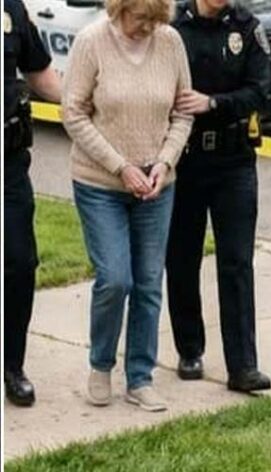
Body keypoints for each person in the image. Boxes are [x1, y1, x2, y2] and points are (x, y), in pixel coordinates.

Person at [62, 0, 193, 411]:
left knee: (149, 282)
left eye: (156, 19)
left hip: (156, 186)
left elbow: (183, 113)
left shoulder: (170, 42)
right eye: (140, 18)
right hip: (100, 183)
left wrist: (165, 162)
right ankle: (100, 365)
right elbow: (73, 113)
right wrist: (121, 167)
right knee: (116, 279)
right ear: (120, 8)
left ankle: (140, 376)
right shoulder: (91, 42)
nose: (148, 27)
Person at [165, 0, 271, 392]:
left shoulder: (246, 27)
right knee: (182, 258)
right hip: (186, 160)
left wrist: (213, 103)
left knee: (237, 262)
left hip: (234, 161)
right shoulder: (174, 27)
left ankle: (243, 366)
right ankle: (189, 349)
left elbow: (261, 91)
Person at [3, 0, 63, 407]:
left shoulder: (11, 8)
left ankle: (13, 365)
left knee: (20, 263)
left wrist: (83, 100)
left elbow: (39, 71)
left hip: (8, 163)